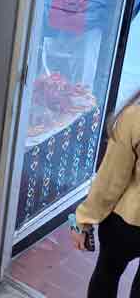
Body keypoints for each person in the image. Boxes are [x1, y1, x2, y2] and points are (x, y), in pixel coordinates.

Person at [72, 99, 140, 296]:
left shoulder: (133, 117)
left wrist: (82, 221)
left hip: (128, 221)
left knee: (107, 274)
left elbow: (110, 181)